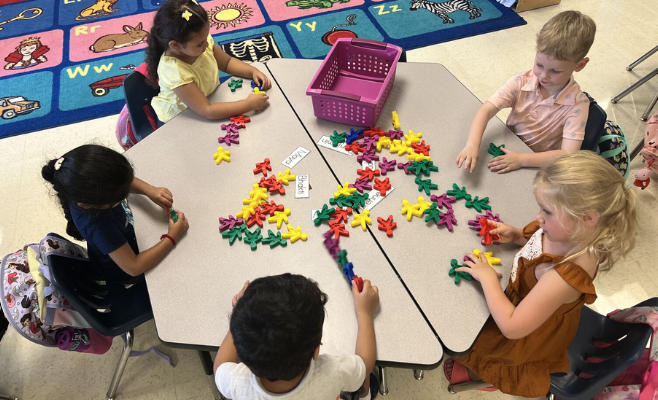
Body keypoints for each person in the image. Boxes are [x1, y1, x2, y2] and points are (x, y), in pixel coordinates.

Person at [444, 151, 639, 397]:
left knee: (486, 347)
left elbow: (513, 327)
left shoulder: (565, 274)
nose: (538, 217)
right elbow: (539, 240)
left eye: (546, 211)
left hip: (524, 329)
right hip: (526, 304)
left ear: (588, 218)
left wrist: (488, 279)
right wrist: (517, 235)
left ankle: (482, 375)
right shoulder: (567, 231)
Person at [456, 11, 596, 174]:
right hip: (506, 148)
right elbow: (485, 110)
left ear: (579, 65)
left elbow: (567, 154)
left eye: (555, 71)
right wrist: (472, 145)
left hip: (537, 165)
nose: (543, 75)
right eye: (539, 65)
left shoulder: (577, 105)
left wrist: (522, 159)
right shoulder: (521, 81)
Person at [214, 274, 380, 399]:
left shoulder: (238, 383)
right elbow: (365, 362)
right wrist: (364, 312)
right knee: (362, 382)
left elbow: (220, 366)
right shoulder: (332, 372)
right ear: (316, 352)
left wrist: (241, 314)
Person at [42, 144, 189, 285]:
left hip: (126, 244)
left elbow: (121, 181)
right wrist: (172, 236)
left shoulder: (82, 185)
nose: (125, 194)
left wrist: (149, 190)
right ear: (90, 204)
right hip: (125, 274)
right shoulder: (100, 227)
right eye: (120, 197)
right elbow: (134, 267)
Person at [145, 0, 271, 123]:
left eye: (206, 38)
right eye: (200, 43)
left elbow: (227, 63)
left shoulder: (198, 44)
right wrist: (248, 105)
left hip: (207, 100)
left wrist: (252, 71)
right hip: (182, 117)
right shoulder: (175, 72)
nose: (206, 45)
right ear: (176, 46)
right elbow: (207, 111)